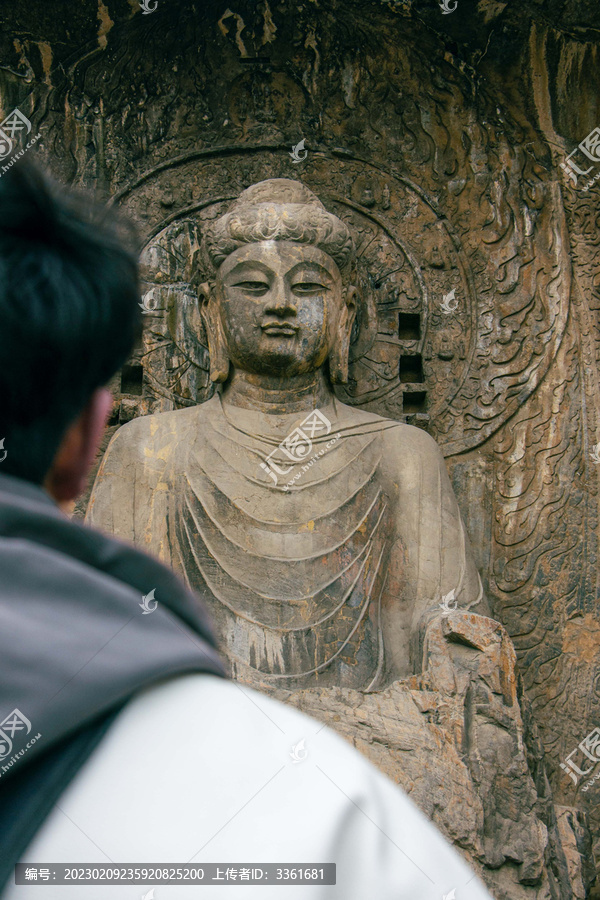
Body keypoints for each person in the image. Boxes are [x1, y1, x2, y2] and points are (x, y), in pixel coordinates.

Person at [0, 162, 492, 899]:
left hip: (363, 755)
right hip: (190, 771)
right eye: (253, 287)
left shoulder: (400, 454)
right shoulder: (151, 449)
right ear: (205, 310)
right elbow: (107, 661)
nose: (283, 306)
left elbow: (454, 661)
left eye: (311, 286)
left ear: (349, 309)